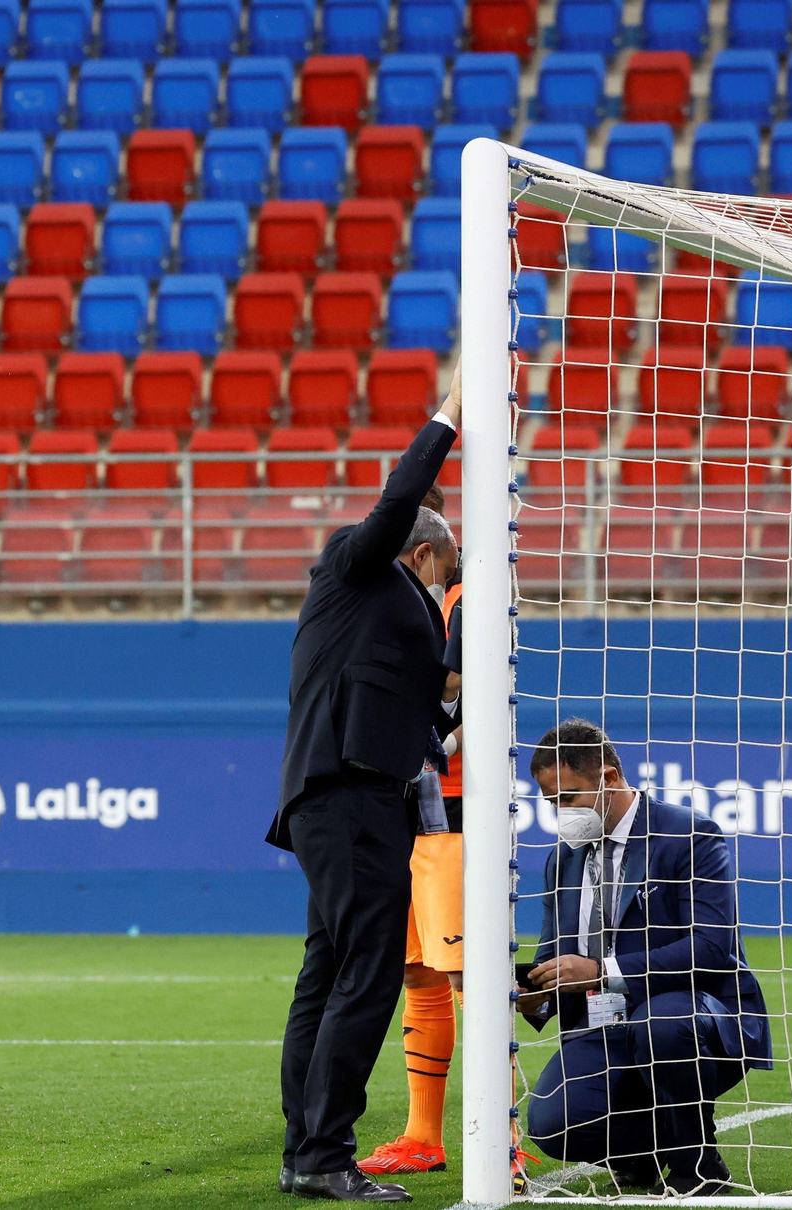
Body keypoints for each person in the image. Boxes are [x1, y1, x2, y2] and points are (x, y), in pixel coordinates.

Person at [268, 373, 463, 1203]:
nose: (444, 587)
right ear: (420, 552)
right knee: (367, 974)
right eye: (444, 569)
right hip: (347, 798)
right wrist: (449, 419)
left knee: (330, 970)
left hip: (352, 799)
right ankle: (322, 1154)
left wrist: (457, 708)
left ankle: (306, 1148)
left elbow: (426, 720)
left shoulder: (392, 624)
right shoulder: (355, 565)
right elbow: (397, 501)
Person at [517, 718, 774, 1195]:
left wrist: (603, 971)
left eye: (567, 797)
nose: (559, 813)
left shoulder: (690, 834)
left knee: (661, 1025)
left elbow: (713, 947)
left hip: (691, 1018)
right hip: (600, 1023)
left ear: (610, 777)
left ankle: (696, 1164)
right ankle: (637, 1156)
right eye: (550, 802)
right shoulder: (563, 859)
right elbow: (552, 955)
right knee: (554, 1124)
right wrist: (534, 995)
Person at [357, 490, 464, 1177]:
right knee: (419, 971)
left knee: (464, 977)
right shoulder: (437, 600)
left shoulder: (464, 600)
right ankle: (424, 1134)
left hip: (455, 813)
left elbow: (454, 700)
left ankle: (503, 1141)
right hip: (417, 811)